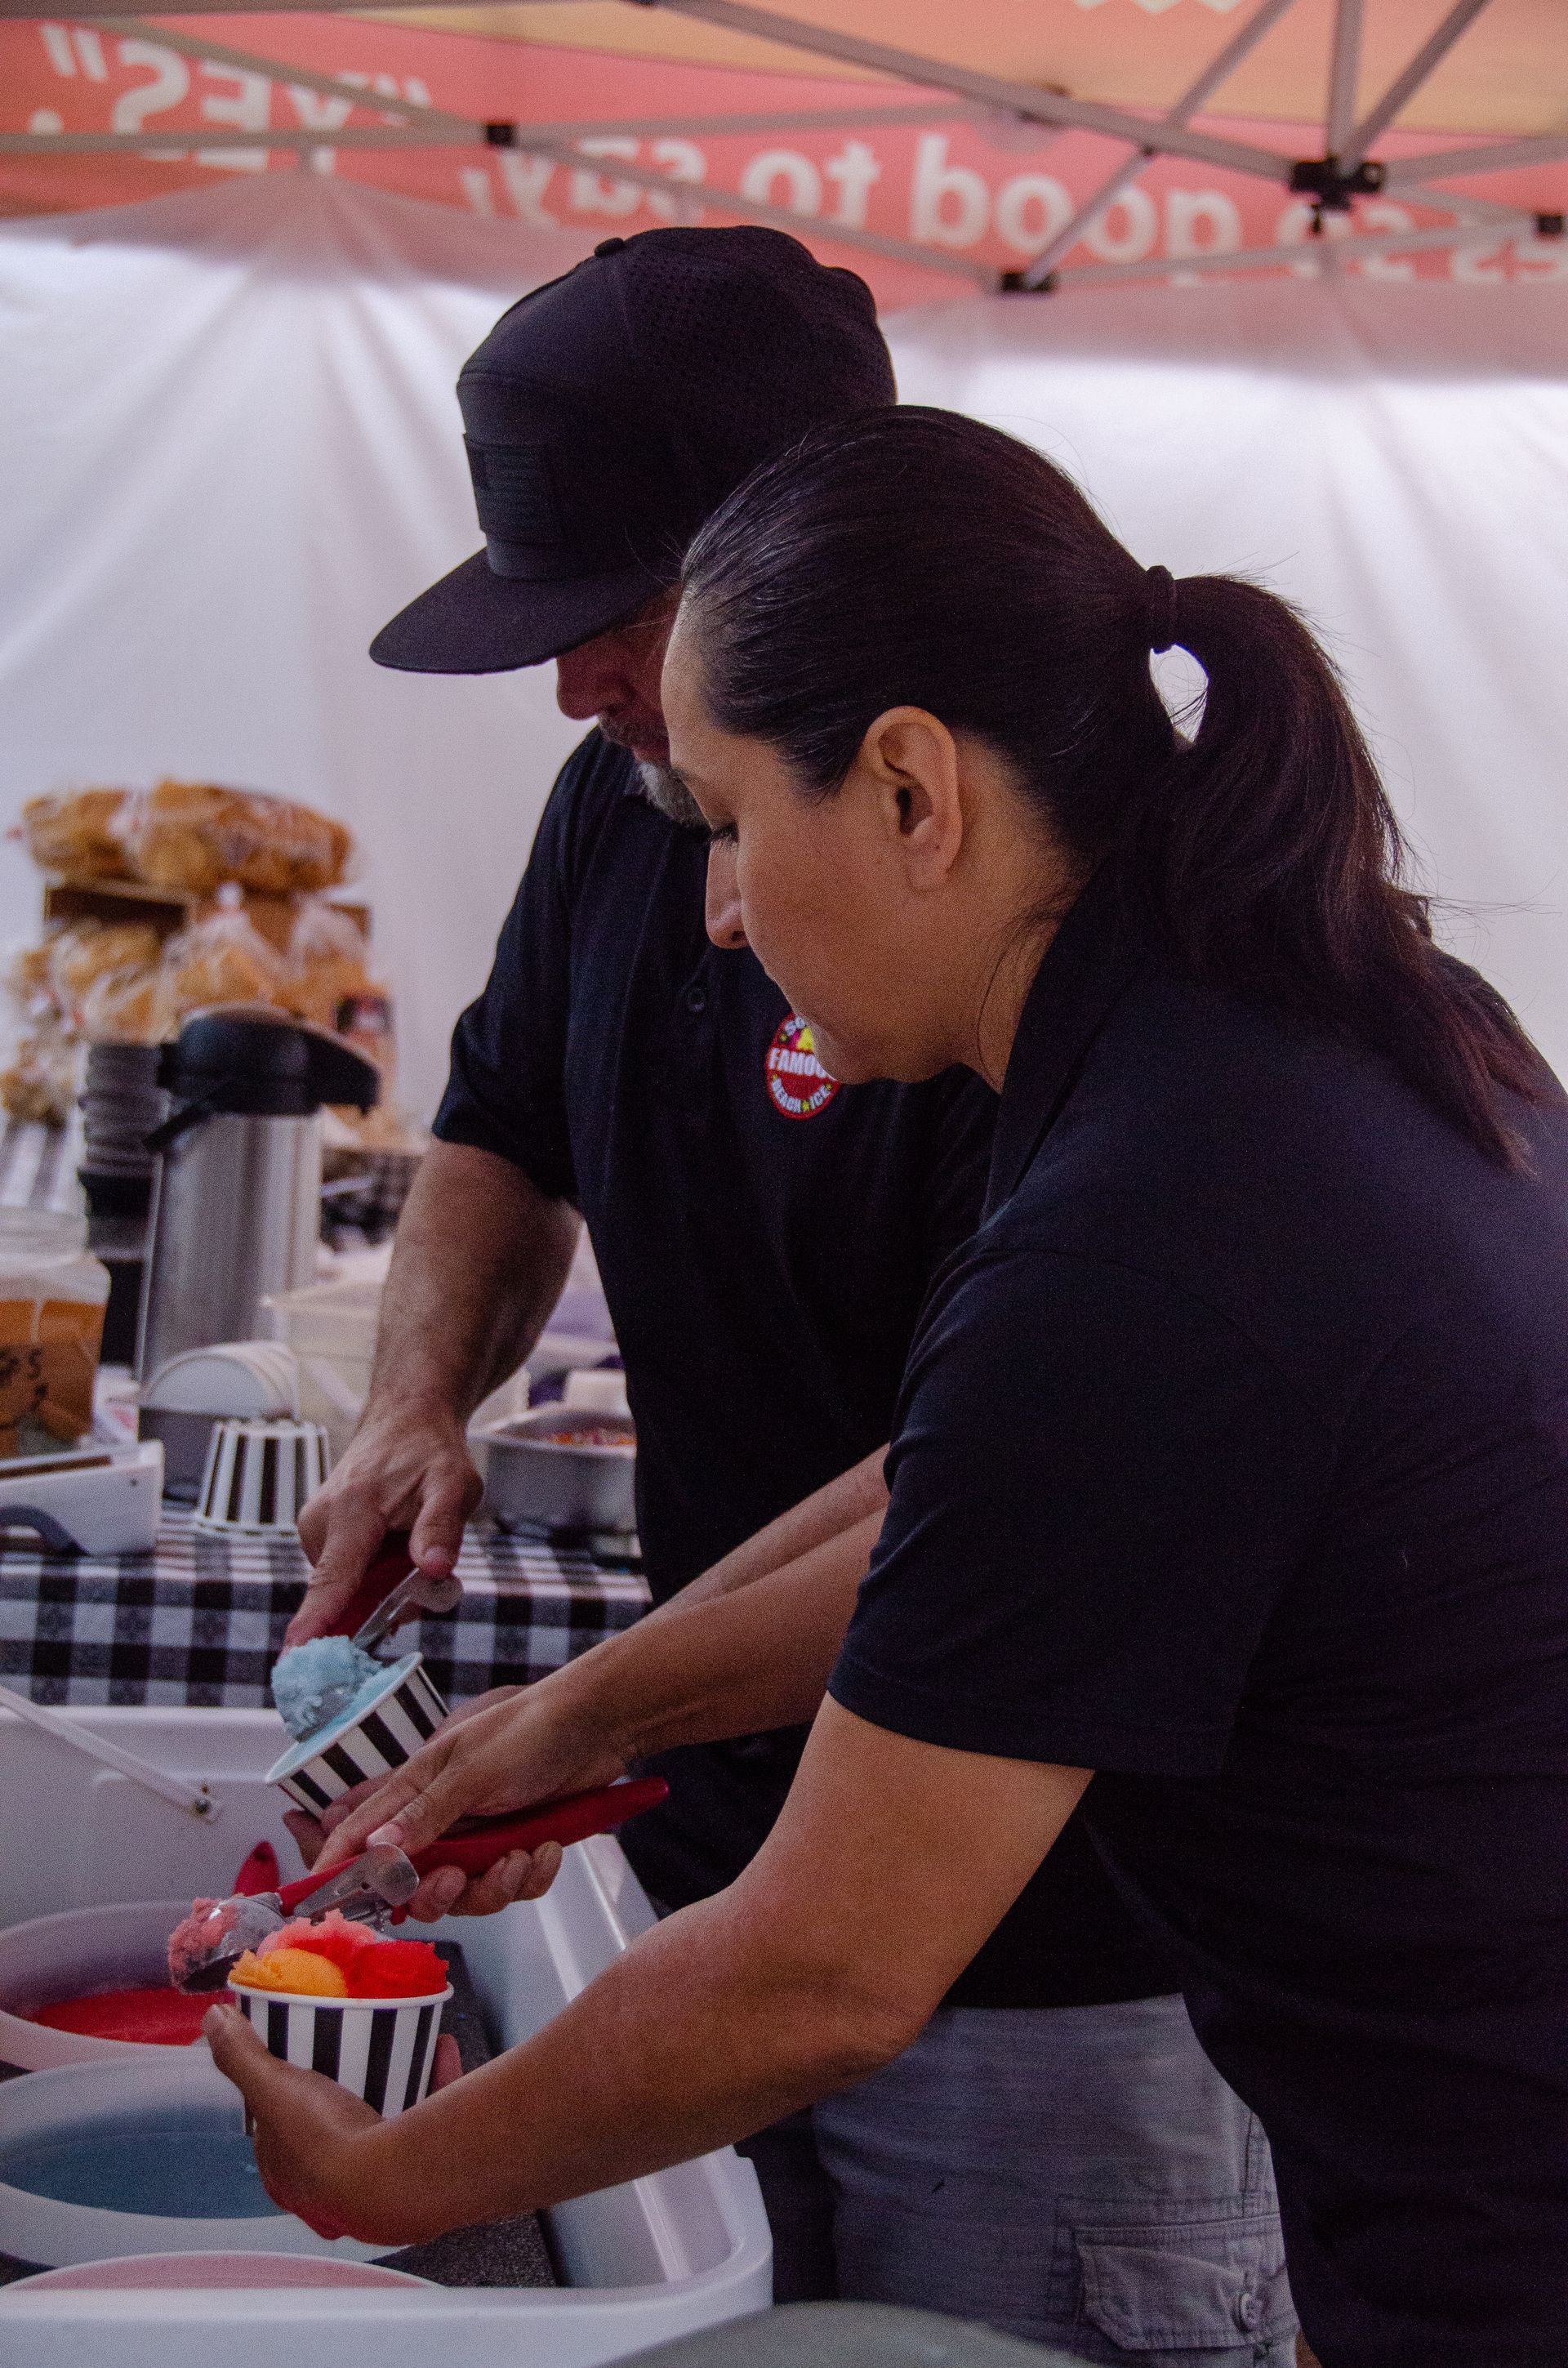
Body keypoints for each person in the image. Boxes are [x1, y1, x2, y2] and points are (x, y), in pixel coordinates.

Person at [215, 406, 1568, 2366]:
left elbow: (825, 1976)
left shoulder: (1157, 1231)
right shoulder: (1286, 1015)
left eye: (736, 824)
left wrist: (386, 2177)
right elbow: (951, 1482)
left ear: (917, 791)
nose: (721, 912)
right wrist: (569, 1717)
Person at [285, 239, 1290, 2355]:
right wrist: (426, 1424)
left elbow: (979, 1496)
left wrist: (390, 2168)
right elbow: (504, 1121)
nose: (720, 905)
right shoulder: (647, 816)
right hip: (742, 1859)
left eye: (604, 625)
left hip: (1038, 1951)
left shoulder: (1142, 1088)